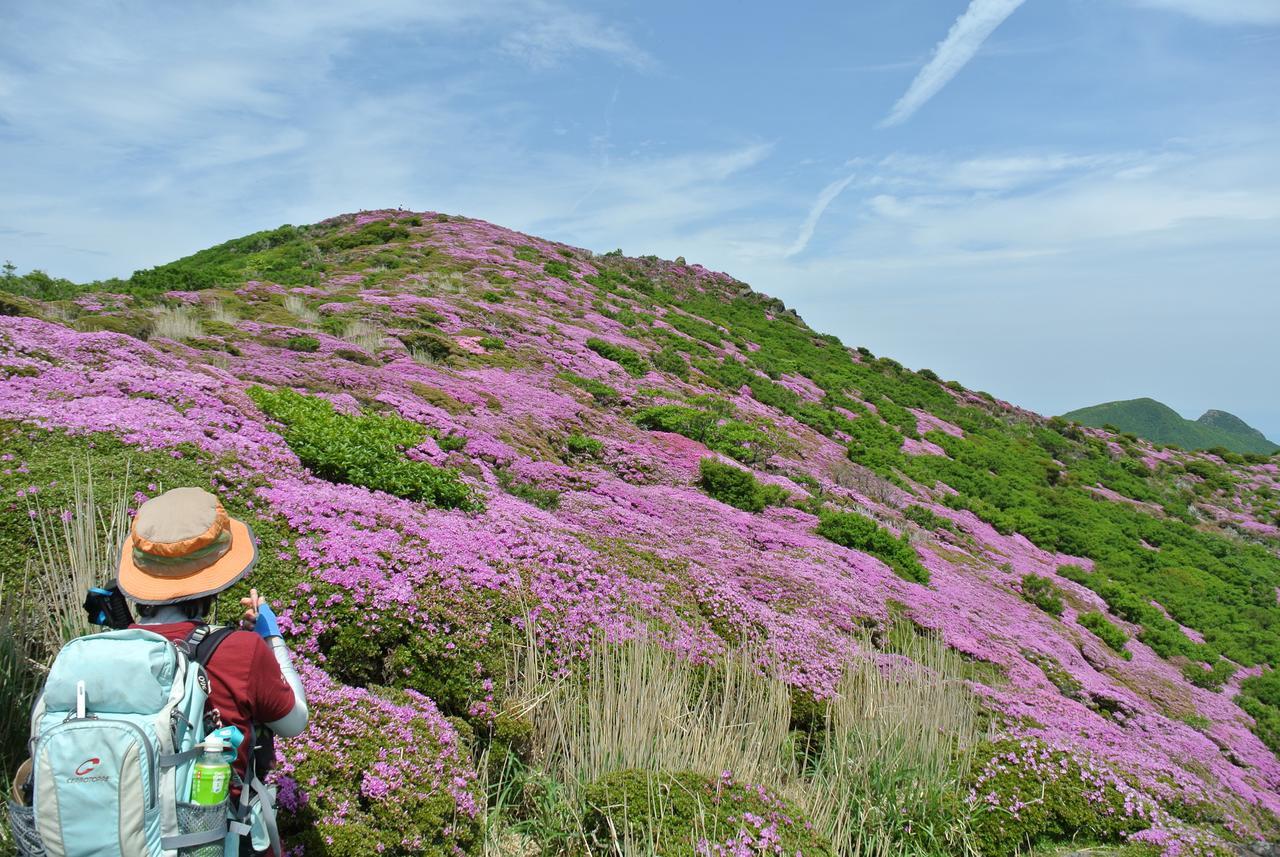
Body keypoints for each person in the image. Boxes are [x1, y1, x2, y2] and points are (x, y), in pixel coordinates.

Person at [116, 486, 308, 855]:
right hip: (213, 839)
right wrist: (271, 637)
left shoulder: (102, 649)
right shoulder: (242, 650)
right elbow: (295, 722)